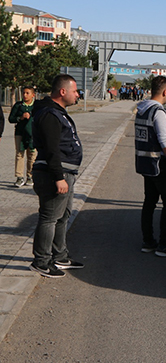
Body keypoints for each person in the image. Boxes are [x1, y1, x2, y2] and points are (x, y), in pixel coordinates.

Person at [30, 75, 84, 278]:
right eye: (75, 91)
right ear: (63, 92)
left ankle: (60, 256)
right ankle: (41, 262)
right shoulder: (49, 114)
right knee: (49, 218)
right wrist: (58, 177)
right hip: (54, 174)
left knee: (63, 216)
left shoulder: (57, 113)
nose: (77, 95)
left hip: (65, 172)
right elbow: (52, 150)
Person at [135, 76, 166, 257]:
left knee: (149, 202)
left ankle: (148, 241)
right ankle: (164, 244)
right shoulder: (158, 112)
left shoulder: (142, 110)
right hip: (160, 164)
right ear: (165, 92)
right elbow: (164, 140)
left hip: (147, 164)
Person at [9, 86, 38, 187]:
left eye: (27, 93)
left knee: (32, 155)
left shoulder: (36, 106)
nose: (25, 95)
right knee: (19, 154)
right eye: (24, 93)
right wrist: (20, 117)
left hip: (32, 134)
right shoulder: (18, 105)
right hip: (20, 133)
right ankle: (19, 177)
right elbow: (11, 119)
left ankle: (30, 176)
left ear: (33, 95)